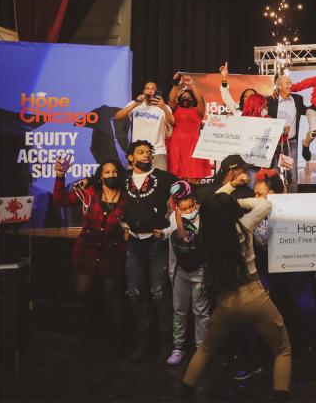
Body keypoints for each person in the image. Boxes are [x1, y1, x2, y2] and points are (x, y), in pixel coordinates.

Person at [179, 184, 291, 401]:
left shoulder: (205, 233)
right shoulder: (244, 226)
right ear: (229, 211)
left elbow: (212, 206)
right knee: (282, 351)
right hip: (254, 295)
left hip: (226, 301)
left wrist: (224, 201)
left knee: (204, 350)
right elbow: (265, 204)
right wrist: (237, 202)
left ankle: (183, 396)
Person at [53, 157, 128, 348]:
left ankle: (118, 340)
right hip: (86, 251)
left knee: (112, 293)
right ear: (100, 177)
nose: (112, 175)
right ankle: (90, 337)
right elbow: (60, 200)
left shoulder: (126, 197)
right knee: (84, 292)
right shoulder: (90, 193)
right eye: (107, 172)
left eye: (114, 172)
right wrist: (60, 175)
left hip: (112, 253)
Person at [122, 140, 179, 360]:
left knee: (159, 292)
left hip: (157, 243)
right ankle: (144, 340)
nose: (147, 155)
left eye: (149, 152)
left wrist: (173, 225)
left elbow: (185, 194)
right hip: (134, 243)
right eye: (141, 152)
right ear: (130, 157)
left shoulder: (165, 178)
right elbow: (105, 194)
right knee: (135, 293)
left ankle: (168, 341)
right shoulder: (123, 179)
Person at [164, 181, 210, 366]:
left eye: (190, 205)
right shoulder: (174, 218)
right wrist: (171, 273)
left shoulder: (204, 216)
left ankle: (201, 350)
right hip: (180, 272)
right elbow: (171, 247)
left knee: (201, 312)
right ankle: (178, 347)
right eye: (183, 208)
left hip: (200, 271)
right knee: (179, 311)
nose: (188, 210)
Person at [114, 82, 174, 171]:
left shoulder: (163, 107)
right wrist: (136, 103)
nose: (150, 91)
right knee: (133, 182)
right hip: (138, 152)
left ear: (157, 92)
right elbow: (118, 116)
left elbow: (171, 122)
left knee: (160, 182)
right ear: (143, 91)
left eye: (153, 89)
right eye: (147, 88)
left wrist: (163, 107)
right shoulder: (136, 104)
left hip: (157, 152)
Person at [267, 75, 307, 193]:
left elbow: (307, 110)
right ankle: (273, 201)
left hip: (291, 143)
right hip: (274, 144)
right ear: (279, 86)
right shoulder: (270, 100)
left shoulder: (298, 99)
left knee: (292, 176)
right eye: (287, 83)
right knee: (273, 175)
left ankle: (293, 201)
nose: (290, 85)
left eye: (291, 83)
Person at [167, 73, 211, 182]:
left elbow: (201, 100)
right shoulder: (174, 109)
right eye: (184, 96)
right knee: (176, 182)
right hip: (176, 148)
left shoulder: (198, 111)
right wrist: (176, 85)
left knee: (194, 181)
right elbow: (171, 100)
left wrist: (192, 84)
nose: (186, 98)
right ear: (179, 98)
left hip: (193, 148)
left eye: (189, 97)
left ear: (193, 99)